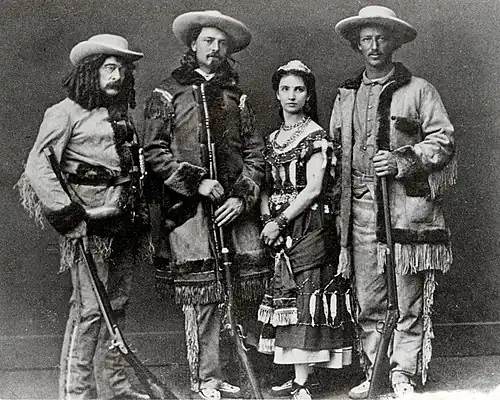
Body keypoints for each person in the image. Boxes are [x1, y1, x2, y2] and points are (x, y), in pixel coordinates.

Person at [330, 5, 457, 399]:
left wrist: (401, 160)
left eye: (381, 38)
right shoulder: (346, 94)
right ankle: (375, 372)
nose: (374, 46)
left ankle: (403, 374)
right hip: (359, 209)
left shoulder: (419, 90)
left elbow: (443, 141)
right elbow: (334, 149)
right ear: (357, 44)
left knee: (407, 298)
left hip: (404, 209)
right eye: (366, 39)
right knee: (368, 298)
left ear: (395, 42)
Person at [142, 10, 269, 400]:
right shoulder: (168, 93)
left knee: (237, 290)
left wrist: (241, 196)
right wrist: (196, 182)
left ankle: (232, 371)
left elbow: (255, 154)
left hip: (234, 212)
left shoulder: (236, 97)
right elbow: (154, 151)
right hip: (189, 212)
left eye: (222, 43)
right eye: (208, 41)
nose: (215, 49)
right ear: (193, 44)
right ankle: (206, 377)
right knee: (204, 296)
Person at [16, 35, 151, 399]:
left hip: (123, 221)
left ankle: (115, 387)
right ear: (91, 72)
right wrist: (67, 214)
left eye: (122, 69)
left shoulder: (120, 115)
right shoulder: (64, 112)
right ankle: (76, 392)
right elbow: (38, 167)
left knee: (116, 305)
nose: (117, 76)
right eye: (110, 68)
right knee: (90, 309)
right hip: (89, 225)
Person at [257, 60, 354, 400]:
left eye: (298, 89)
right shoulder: (272, 139)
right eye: (285, 89)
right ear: (277, 94)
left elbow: (313, 189)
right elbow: (265, 186)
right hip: (278, 226)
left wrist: (280, 221)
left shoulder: (316, 137)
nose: (291, 96)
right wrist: (267, 219)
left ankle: (302, 382)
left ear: (308, 95)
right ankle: (300, 375)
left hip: (308, 223)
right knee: (286, 292)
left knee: (305, 292)